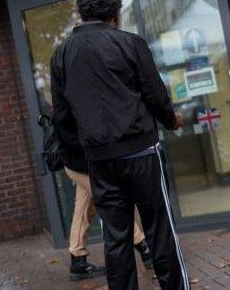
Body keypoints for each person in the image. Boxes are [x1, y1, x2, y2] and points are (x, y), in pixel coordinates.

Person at [51, 0, 189, 290]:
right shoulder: (130, 43)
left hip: (99, 159)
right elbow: (155, 94)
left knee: (116, 238)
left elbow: (61, 115)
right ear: (115, 15)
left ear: (83, 15)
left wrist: (86, 148)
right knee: (158, 229)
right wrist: (171, 120)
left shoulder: (61, 54)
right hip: (140, 151)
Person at [54, 111, 160, 281]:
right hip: (80, 165)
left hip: (84, 164)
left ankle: (77, 259)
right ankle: (143, 247)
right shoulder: (70, 105)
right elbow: (72, 137)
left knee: (83, 209)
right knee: (114, 203)